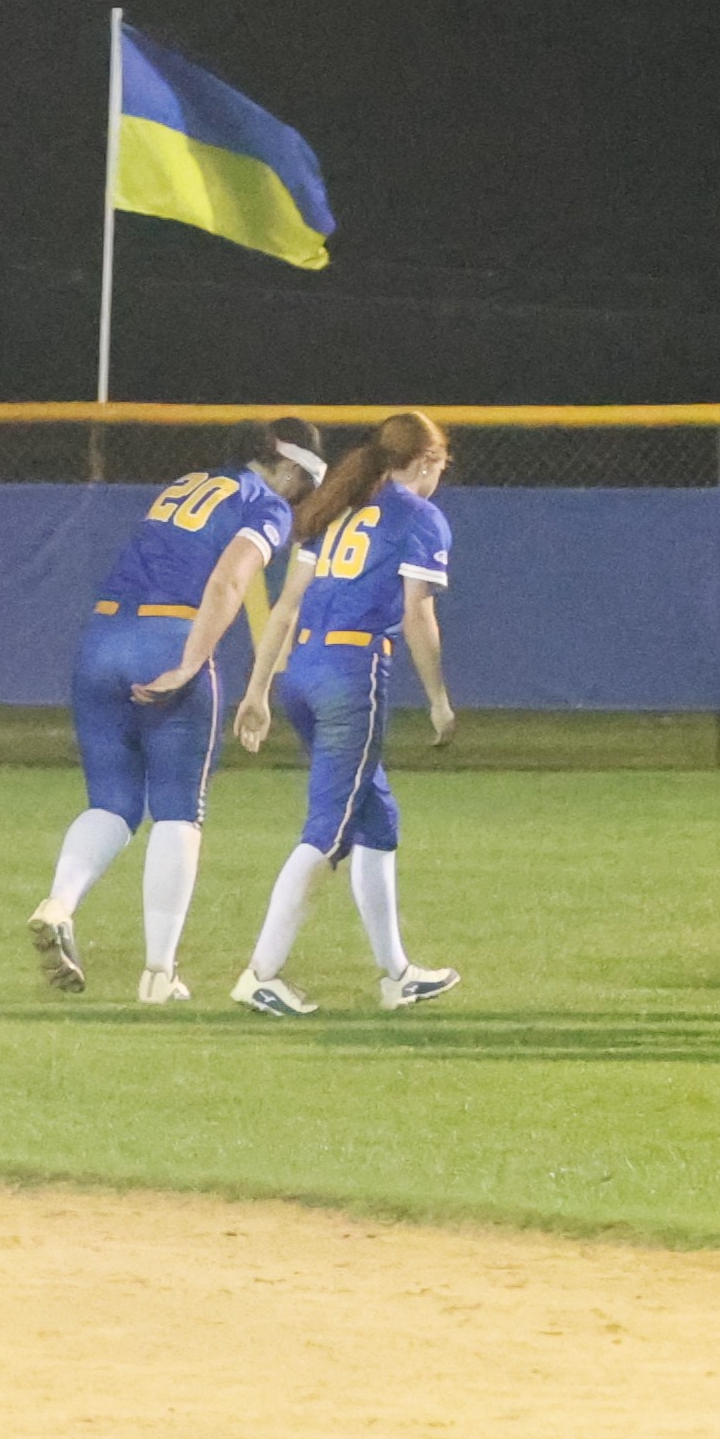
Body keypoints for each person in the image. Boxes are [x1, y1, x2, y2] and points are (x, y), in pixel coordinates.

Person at [33, 417, 323, 1003]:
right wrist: (189, 664)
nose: (300, 499)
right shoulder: (265, 504)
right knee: (178, 812)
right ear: (290, 466)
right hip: (168, 636)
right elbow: (227, 583)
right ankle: (158, 974)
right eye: (303, 484)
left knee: (111, 804)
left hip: (102, 639)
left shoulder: (186, 483)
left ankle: (59, 903)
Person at [231, 411, 463, 1018]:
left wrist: (257, 689)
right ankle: (260, 974)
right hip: (350, 675)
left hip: (303, 672)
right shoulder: (420, 517)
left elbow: (286, 606)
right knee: (328, 833)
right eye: (440, 465)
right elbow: (417, 615)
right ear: (424, 461)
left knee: (376, 821)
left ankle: (397, 974)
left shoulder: (339, 506)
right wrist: (439, 700)